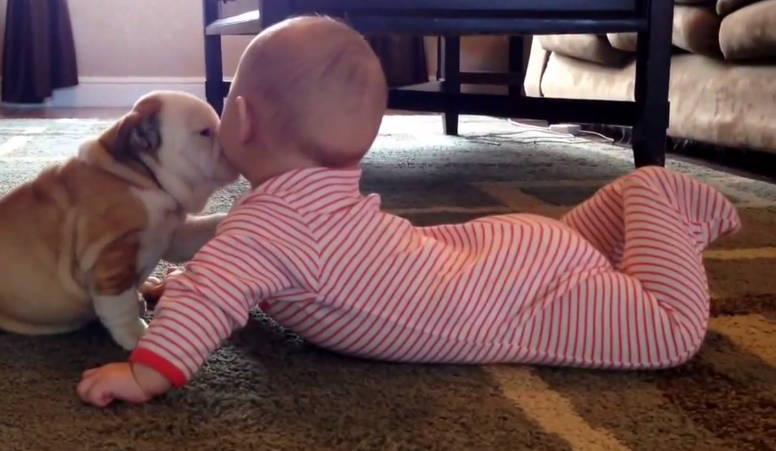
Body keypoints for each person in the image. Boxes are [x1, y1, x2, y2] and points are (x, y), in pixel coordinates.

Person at [76, 15, 741, 407]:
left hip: (520, 297)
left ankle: (652, 192)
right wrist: (183, 285)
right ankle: (629, 205)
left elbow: (216, 291)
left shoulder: (265, 226)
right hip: (513, 253)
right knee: (578, 244)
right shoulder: (303, 212)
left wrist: (144, 370)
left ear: (240, 119)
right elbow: (227, 280)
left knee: (670, 330)